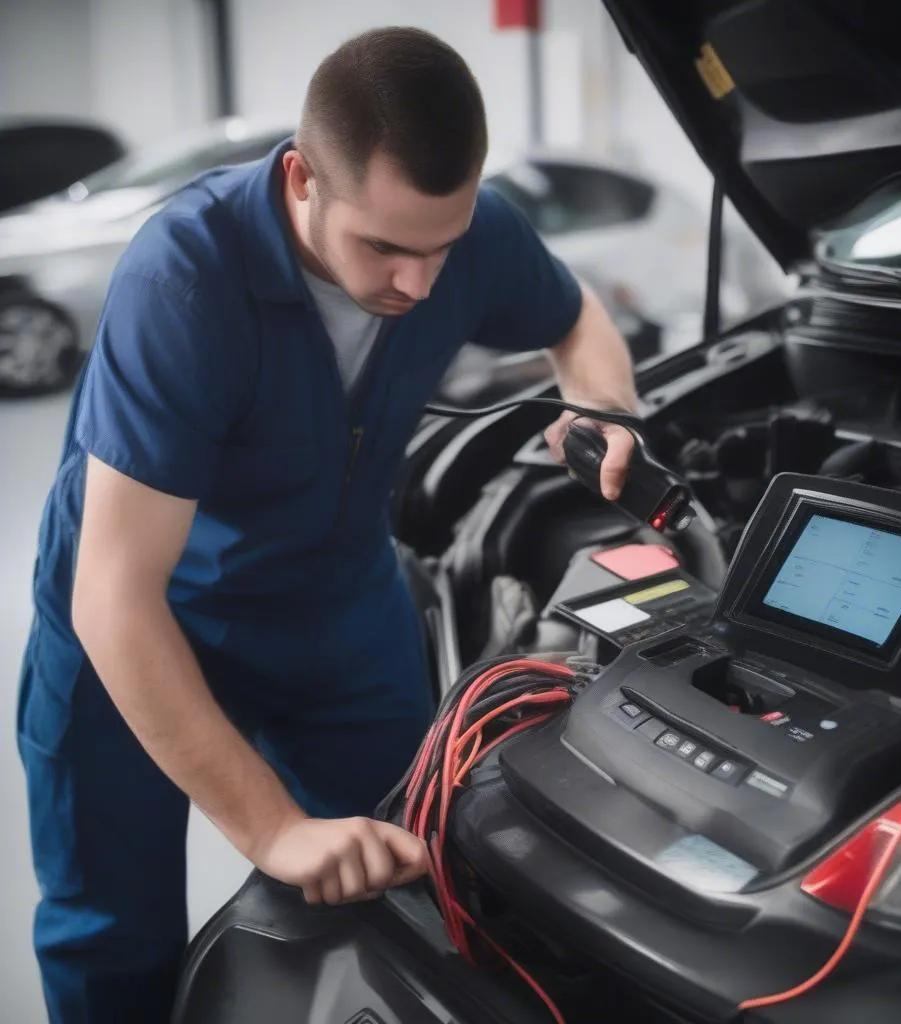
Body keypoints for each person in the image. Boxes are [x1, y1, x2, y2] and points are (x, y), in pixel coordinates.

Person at [16, 25, 639, 1024]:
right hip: (141, 624)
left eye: (441, 248)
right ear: (304, 180)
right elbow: (113, 597)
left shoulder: (470, 232)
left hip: (336, 608)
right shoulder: (183, 278)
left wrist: (606, 407)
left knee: (418, 858)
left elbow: (576, 320)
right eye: (385, 247)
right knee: (110, 932)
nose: (420, 286)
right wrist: (271, 829)